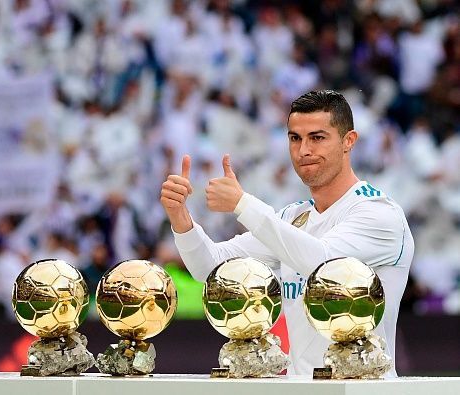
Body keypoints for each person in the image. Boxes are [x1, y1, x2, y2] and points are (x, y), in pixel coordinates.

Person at [160, 89, 414, 377]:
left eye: (317, 138)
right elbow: (211, 268)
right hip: (300, 389)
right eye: (295, 138)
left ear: (348, 141)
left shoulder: (379, 213)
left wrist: (244, 205)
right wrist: (181, 219)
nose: (304, 150)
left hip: (363, 391)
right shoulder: (293, 219)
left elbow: (326, 267)